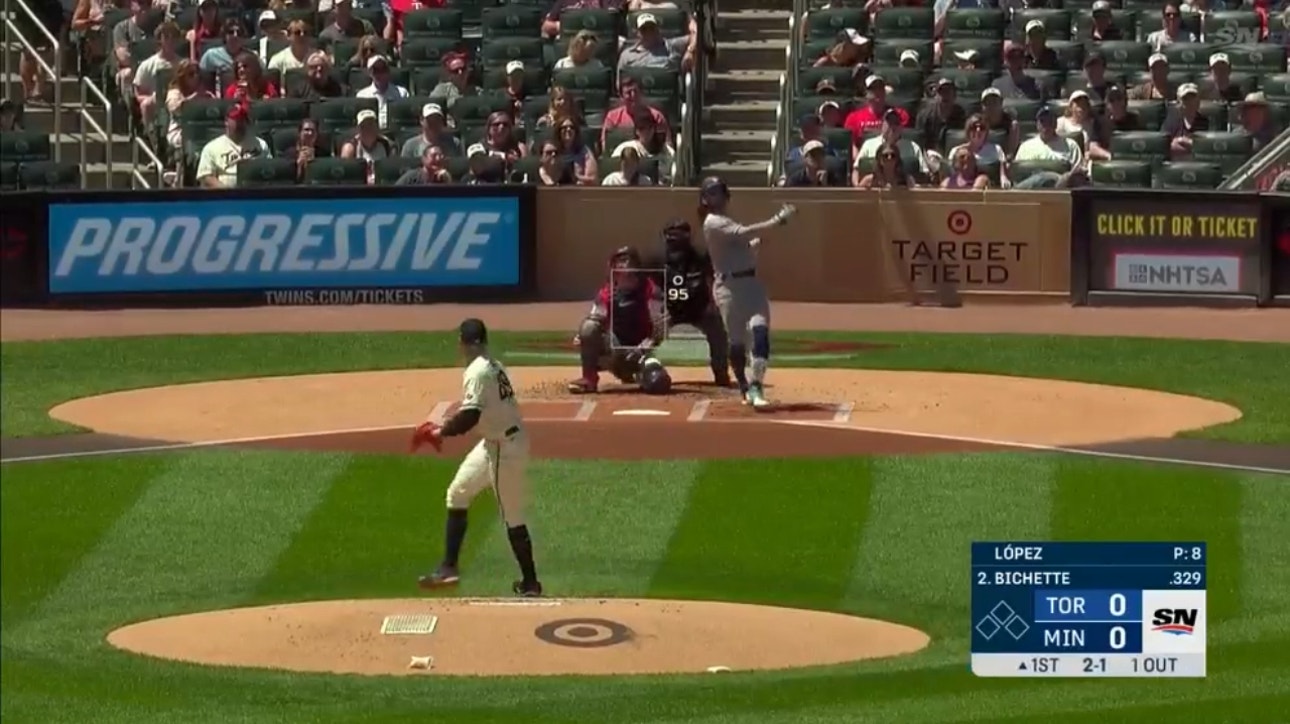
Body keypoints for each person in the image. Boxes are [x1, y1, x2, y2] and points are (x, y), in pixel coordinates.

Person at [413, 318, 543, 599]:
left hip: (504, 449)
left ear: (463, 343)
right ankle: (449, 567)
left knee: (512, 516)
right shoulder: (492, 365)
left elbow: (471, 416)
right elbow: (476, 410)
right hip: (493, 443)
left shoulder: (478, 371)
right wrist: (445, 425)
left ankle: (531, 583)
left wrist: (441, 432)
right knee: (458, 493)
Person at [698, 177, 796, 408]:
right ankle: (743, 383)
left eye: (719, 192)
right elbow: (743, 233)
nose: (716, 197)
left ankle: (756, 385)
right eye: (711, 193)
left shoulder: (726, 222)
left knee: (760, 332)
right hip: (728, 289)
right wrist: (776, 221)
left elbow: (743, 247)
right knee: (737, 343)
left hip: (751, 285)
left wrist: (758, 243)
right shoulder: (712, 222)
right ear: (704, 199)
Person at [567, 246, 671, 394]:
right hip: (614, 351)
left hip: (640, 352)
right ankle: (589, 379)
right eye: (619, 261)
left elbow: (661, 329)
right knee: (588, 328)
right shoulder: (606, 293)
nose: (623, 266)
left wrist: (642, 348)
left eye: (627, 261)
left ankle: (637, 374)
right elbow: (595, 320)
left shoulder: (651, 291)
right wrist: (584, 340)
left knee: (658, 382)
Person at [196, 103, 271, 188]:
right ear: (226, 121)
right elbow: (206, 177)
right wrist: (227, 192)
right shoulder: (211, 148)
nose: (239, 123)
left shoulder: (261, 144)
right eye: (236, 119)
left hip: (256, 194)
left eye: (242, 119)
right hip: (225, 197)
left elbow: (270, 169)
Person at [163, 59, 214, 151]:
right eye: (191, 74)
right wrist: (195, 97)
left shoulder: (206, 94)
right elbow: (176, 109)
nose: (196, 76)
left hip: (203, 130)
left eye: (197, 73)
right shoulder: (175, 93)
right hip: (179, 131)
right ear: (182, 77)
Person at [915, 78, 966, 154]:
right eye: (941, 92)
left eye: (948, 92)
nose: (945, 96)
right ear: (936, 96)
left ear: (954, 96)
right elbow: (919, 142)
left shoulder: (960, 115)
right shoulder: (924, 115)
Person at [340, 109, 394, 180]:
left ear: (377, 127)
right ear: (358, 129)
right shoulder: (350, 148)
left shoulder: (387, 145)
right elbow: (345, 175)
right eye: (363, 126)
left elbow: (392, 172)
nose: (368, 129)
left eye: (371, 124)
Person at [1057, 90, 1111, 160]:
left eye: (1084, 104)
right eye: (1078, 104)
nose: (1081, 107)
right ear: (1070, 107)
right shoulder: (1061, 123)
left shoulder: (1094, 124)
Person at [1163, 83, 1209, 158]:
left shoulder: (1207, 122)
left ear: (1198, 102)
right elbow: (1162, 143)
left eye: (1193, 98)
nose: (1190, 103)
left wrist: (1187, 143)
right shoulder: (1171, 122)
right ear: (1178, 103)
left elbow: (1210, 146)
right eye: (1185, 99)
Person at [553, 117, 597, 184]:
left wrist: (576, 177)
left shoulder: (584, 151)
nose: (568, 129)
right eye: (564, 127)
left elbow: (593, 178)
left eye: (572, 127)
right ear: (558, 131)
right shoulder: (552, 150)